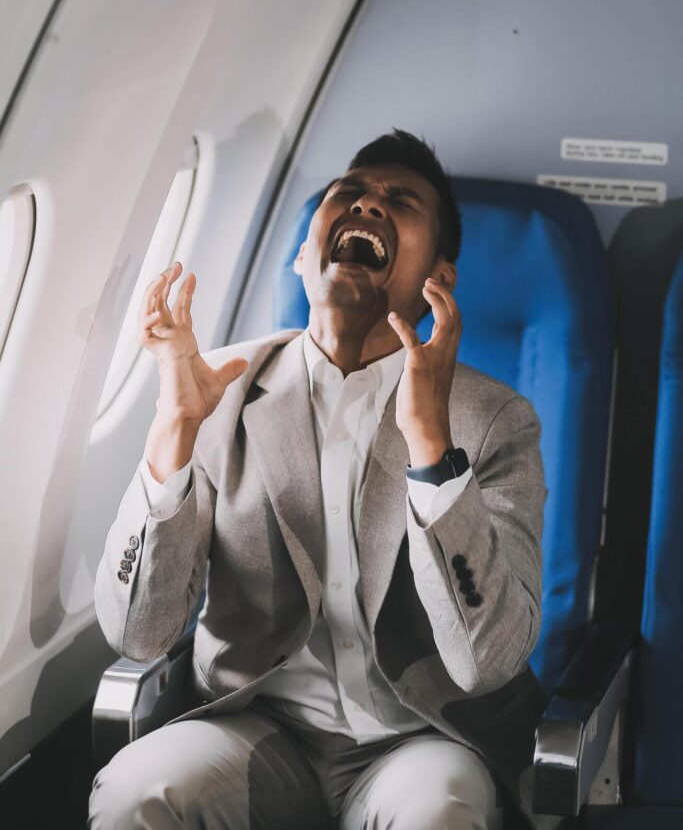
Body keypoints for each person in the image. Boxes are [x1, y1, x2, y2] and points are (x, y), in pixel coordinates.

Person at [89, 130, 547, 830]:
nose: (366, 204)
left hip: (420, 737)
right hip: (255, 723)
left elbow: (488, 661)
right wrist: (175, 425)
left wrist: (431, 446)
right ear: (305, 255)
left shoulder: (493, 421)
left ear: (438, 278)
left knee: (439, 814)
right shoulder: (218, 390)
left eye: (398, 200)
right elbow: (140, 636)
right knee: (134, 792)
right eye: (348, 193)